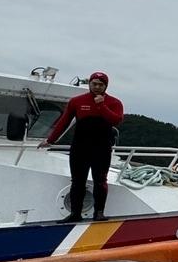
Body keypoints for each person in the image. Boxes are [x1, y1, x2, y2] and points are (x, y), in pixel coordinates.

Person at [40, 71, 124, 221]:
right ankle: (75, 214)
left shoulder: (114, 103)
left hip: (101, 148)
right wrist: (51, 140)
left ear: (106, 86)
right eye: (94, 84)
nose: (97, 87)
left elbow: (116, 120)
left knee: (100, 180)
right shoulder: (76, 101)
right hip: (80, 147)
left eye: (101, 84)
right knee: (77, 181)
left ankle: (99, 213)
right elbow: (64, 122)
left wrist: (102, 105)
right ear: (90, 84)